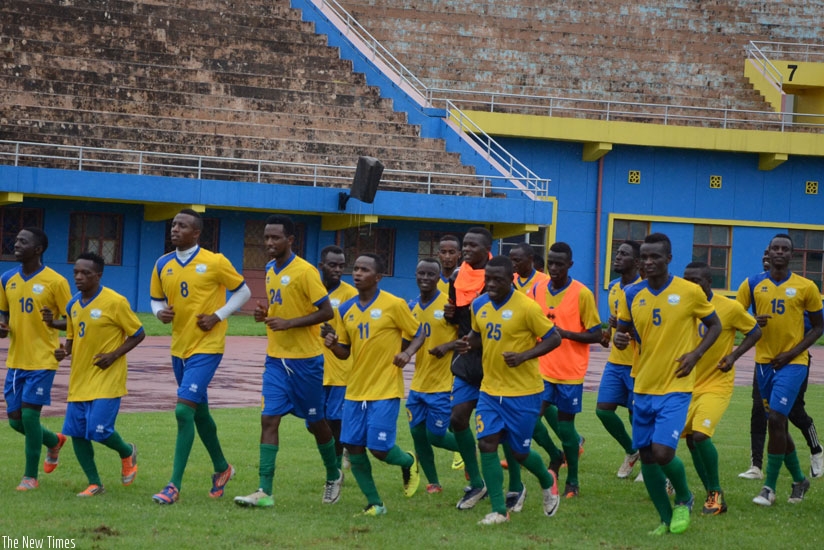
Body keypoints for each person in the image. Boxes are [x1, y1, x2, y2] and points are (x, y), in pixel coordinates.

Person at [614, 232, 721, 535]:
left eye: (655, 257)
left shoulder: (689, 291)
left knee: (662, 452)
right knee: (647, 455)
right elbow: (622, 333)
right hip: (643, 385)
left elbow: (715, 325)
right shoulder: (632, 294)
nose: (648, 262)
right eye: (644, 257)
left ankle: (685, 498)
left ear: (668, 259)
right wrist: (620, 338)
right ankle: (664, 518)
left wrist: (696, 354)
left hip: (675, 386)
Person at [233, 215, 340, 508]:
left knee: (317, 422)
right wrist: (264, 314)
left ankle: (333, 473)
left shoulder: (305, 272)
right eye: (266, 237)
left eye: (275, 238)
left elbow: (326, 312)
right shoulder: (269, 269)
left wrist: (290, 323)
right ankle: (264, 490)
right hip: (276, 359)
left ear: (290, 240)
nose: (269, 243)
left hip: (306, 361)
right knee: (269, 418)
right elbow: (277, 307)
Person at [150, 209, 251, 504]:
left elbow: (243, 292)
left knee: (183, 411)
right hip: (178, 348)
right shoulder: (162, 264)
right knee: (199, 411)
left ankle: (173, 486)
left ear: (196, 233)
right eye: (173, 225)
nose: (175, 229)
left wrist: (218, 316)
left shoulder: (214, 261)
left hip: (207, 347)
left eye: (182, 226)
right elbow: (156, 299)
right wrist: (160, 313)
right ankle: (222, 468)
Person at [454, 255, 562, 525]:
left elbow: (554, 338)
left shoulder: (527, 307)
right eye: (487, 278)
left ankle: (548, 480)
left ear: (511, 278)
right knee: (487, 443)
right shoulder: (479, 304)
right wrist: (468, 343)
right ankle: (499, 510)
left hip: (524, 392)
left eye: (497, 279)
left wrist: (524, 356)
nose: (490, 283)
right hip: (490, 390)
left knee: (519, 453)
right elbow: (479, 334)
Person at [323, 254, 425, 516]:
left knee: (379, 449)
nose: (357, 273)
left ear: (378, 277)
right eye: (355, 269)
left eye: (364, 270)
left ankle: (409, 461)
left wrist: (407, 353)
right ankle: (375, 504)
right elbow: (345, 352)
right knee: (354, 448)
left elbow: (419, 332)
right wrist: (333, 345)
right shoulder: (345, 310)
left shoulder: (394, 304)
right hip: (355, 391)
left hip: (386, 389)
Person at [735, 233, 823, 506]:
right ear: (768, 252)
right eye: (776, 248)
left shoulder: (806, 286)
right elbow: (734, 317)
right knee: (778, 425)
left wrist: (792, 353)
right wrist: (751, 319)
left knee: (775, 419)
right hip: (763, 364)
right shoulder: (752, 284)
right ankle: (799, 480)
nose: (780, 252)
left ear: (792, 255)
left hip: (793, 363)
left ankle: (769, 489)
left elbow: (820, 326)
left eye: (786, 249)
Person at [54, 252, 145, 496]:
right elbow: (72, 341)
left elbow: (138, 333)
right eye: (76, 272)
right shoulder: (73, 305)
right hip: (80, 379)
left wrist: (113, 355)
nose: (79, 277)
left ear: (99, 275)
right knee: (76, 433)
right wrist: (63, 353)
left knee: (100, 430)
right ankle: (94, 483)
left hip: (108, 377)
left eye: (86, 273)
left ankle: (127, 451)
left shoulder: (115, 301)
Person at [681, 261, 761, 515]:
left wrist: (734, 356)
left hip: (717, 383)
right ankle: (711, 495)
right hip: (684, 384)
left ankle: (715, 492)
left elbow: (755, 331)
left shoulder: (729, 307)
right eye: (687, 281)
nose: (691, 286)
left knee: (701, 435)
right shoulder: (679, 305)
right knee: (691, 441)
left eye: (697, 281)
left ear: (708, 282)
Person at [0, 227, 72, 491]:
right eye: (16, 239)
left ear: (38, 249)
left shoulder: (56, 281)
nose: (16, 244)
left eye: (22, 241)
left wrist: (57, 326)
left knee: (30, 418)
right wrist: (1, 326)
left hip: (43, 360)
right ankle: (54, 441)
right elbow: (3, 315)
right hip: (16, 361)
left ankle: (30, 477)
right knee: (16, 421)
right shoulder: (7, 278)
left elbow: (73, 319)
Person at [531, 242, 602, 498]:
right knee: (529, 420)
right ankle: (554, 455)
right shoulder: (537, 288)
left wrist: (566, 334)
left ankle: (572, 478)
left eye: (560, 264)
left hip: (570, 372)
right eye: (551, 262)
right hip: (541, 369)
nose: (554, 268)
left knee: (566, 429)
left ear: (570, 265)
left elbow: (597, 334)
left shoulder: (582, 293)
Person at [444, 227, 492, 509]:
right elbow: (458, 317)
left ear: (487, 249)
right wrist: (451, 316)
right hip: (465, 358)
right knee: (458, 418)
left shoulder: (501, 277)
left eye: (474, 245)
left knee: (503, 430)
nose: (467, 250)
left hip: (493, 359)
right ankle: (476, 482)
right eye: (466, 245)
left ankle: (518, 484)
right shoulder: (457, 277)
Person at [407, 257, 461, 494]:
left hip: (443, 382)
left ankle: (470, 451)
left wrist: (446, 347)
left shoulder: (450, 307)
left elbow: (469, 338)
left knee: (436, 435)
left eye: (431, 274)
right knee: (418, 434)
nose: (425, 278)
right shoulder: (411, 307)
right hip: (418, 383)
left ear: (439, 278)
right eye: (422, 274)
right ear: (416, 275)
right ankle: (433, 483)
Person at [596, 240, 642, 479]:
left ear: (636, 262)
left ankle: (650, 462)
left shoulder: (643, 288)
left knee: (638, 416)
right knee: (603, 410)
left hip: (639, 363)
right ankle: (632, 450)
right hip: (615, 361)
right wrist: (607, 333)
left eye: (623, 254)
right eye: (617, 252)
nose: (617, 256)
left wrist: (629, 329)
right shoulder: (614, 286)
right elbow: (615, 321)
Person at [317, 245, 358, 471]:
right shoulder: (311, 289)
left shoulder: (350, 294)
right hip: (314, 367)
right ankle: (345, 448)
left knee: (335, 419)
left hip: (341, 369)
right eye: (332, 265)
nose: (338, 270)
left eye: (342, 266)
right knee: (313, 422)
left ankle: (335, 468)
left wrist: (336, 335)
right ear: (321, 266)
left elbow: (356, 332)